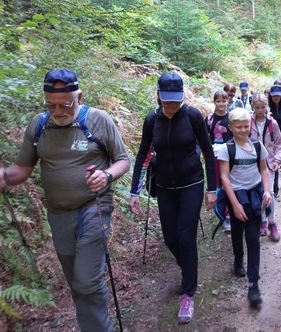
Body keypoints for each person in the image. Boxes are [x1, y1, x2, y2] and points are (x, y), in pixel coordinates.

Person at [0, 69, 131, 332]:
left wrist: (106, 176)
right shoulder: (39, 125)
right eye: (51, 105)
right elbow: (21, 170)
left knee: (86, 281)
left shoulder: (97, 121)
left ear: (79, 96)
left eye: (64, 104)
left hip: (94, 207)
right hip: (58, 215)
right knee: (76, 282)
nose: (57, 111)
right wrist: (3, 176)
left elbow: (123, 161)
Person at [129, 73, 216, 324]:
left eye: (175, 100)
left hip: (192, 183)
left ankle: (188, 292)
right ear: (158, 95)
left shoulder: (193, 116)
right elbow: (142, 154)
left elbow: (209, 153)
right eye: (167, 100)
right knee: (170, 237)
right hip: (164, 186)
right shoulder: (151, 120)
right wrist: (134, 191)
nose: (171, 105)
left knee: (186, 236)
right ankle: (188, 266)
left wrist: (213, 189)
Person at [217, 107, 272, 306]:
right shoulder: (227, 149)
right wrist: (235, 204)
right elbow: (224, 177)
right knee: (237, 232)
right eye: (238, 127)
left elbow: (264, 170)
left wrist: (267, 191)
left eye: (246, 126)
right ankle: (238, 259)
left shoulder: (257, 146)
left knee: (253, 239)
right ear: (230, 127)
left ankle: (253, 285)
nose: (242, 130)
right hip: (237, 196)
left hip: (255, 194)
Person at [250, 94, 281, 241]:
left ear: (266, 107)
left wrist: (278, 159)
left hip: (269, 164)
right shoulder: (248, 122)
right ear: (253, 107)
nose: (260, 110)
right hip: (252, 164)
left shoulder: (272, 124)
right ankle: (261, 221)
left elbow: (279, 143)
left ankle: (272, 223)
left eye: (262, 107)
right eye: (257, 107)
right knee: (256, 195)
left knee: (268, 193)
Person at [205, 89, 233, 232]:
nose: (221, 103)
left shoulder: (231, 118)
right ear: (214, 101)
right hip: (214, 156)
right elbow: (205, 137)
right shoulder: (209, 119)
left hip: (228, 156)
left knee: (228, 182)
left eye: (224, 100)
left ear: (228, 101)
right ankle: (220, 211)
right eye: (218, 101)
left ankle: (229, 215)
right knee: (218, 185)